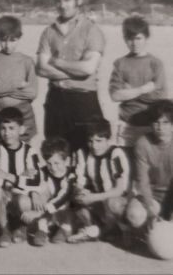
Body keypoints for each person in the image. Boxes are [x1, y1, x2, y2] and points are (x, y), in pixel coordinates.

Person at [36, 0, 106, 150]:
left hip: (83, 100)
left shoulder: (91, 30)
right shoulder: (48, 32)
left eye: (67, 0)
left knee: (86, 153)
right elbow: (41, 68)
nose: (63, 5)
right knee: (55, 153)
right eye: (59, 1)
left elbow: (89, 68)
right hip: (56, 100)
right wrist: (75, 71)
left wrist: (57, 61)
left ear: (78, 1)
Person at [0, 107, 45, 248]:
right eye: (3, 128)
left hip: (18, 196)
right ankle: (4, 230)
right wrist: (21, 178)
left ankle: (22, 227)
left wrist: (6, 176)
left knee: (25, 199)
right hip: (1, 200)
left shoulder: (29, 151)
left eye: (12, 128)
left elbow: (36, 180)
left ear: (21, 130)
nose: (7, 133)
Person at [69, 120, 131, 243]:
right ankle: (92, 229)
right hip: (97, 198)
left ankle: (123, 229)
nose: (94, 146)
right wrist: (80, 191)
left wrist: (94, 197)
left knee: (113, 203)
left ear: (108, 139)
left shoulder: (115, 154)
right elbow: (79, 180)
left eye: (99, 141)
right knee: (75, 199)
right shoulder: (83, 153)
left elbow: (120, 189)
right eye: (90, 141)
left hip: (115, 198)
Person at [109, 16, 167, 147]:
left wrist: (129, 91)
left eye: (138, 38)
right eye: (130, 39)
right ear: (124, 39)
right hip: (126, 126)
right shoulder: (120, 64)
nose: (134, 43)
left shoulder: (156, 64)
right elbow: (114, 95)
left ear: (146, 37)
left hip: (151, 126)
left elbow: (159, 98)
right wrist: (143, 89)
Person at [0, 15, 37, 143]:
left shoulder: (27, 61)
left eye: (12, 40)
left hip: (23, 114)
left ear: (19, 37)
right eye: (3, 40)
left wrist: (2, 85)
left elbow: (32, 92)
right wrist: (18, 84)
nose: (7, 45)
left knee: (23, 153)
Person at [19, 137, 77, 246]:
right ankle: (42, 230)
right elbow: (30, 184)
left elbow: (64, 197)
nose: (53, 168)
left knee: (68, 210)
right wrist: (34, 193)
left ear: (67, 161)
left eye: (57, 163)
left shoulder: (71, 175)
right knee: (40, 190)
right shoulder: (44, 171)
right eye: (49, 163)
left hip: (64, 209)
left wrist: (39, 212)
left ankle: (65, 229)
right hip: (48, 211)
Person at [126, 100, 173, 231]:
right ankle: (145, 229)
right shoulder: (143, 143)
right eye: (156, 122)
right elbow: (143, 179)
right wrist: (149, 204)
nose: (160, 128)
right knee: (135, 215)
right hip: (153, 194)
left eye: (166, 122)